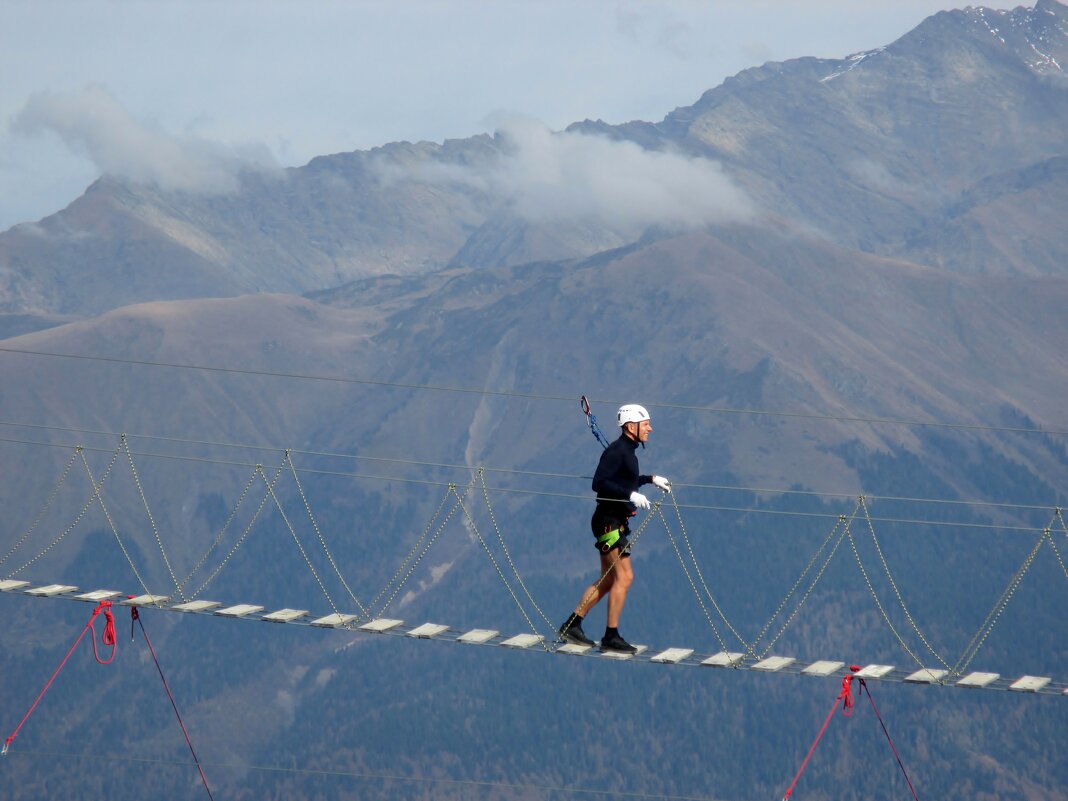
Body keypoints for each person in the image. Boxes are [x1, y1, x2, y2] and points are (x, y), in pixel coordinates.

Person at [559, 403, 671, 653]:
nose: (650, 429)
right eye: (646, 424)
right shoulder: (618, 451)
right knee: (625, 577)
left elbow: (624, 480)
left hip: (612, 522)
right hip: (610, 522)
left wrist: (650, 480)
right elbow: (599, 482)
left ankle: (572, 625)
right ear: (631, 427)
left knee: (610, 580)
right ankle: (611, 635)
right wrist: (630, 493)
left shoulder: (627, 452)